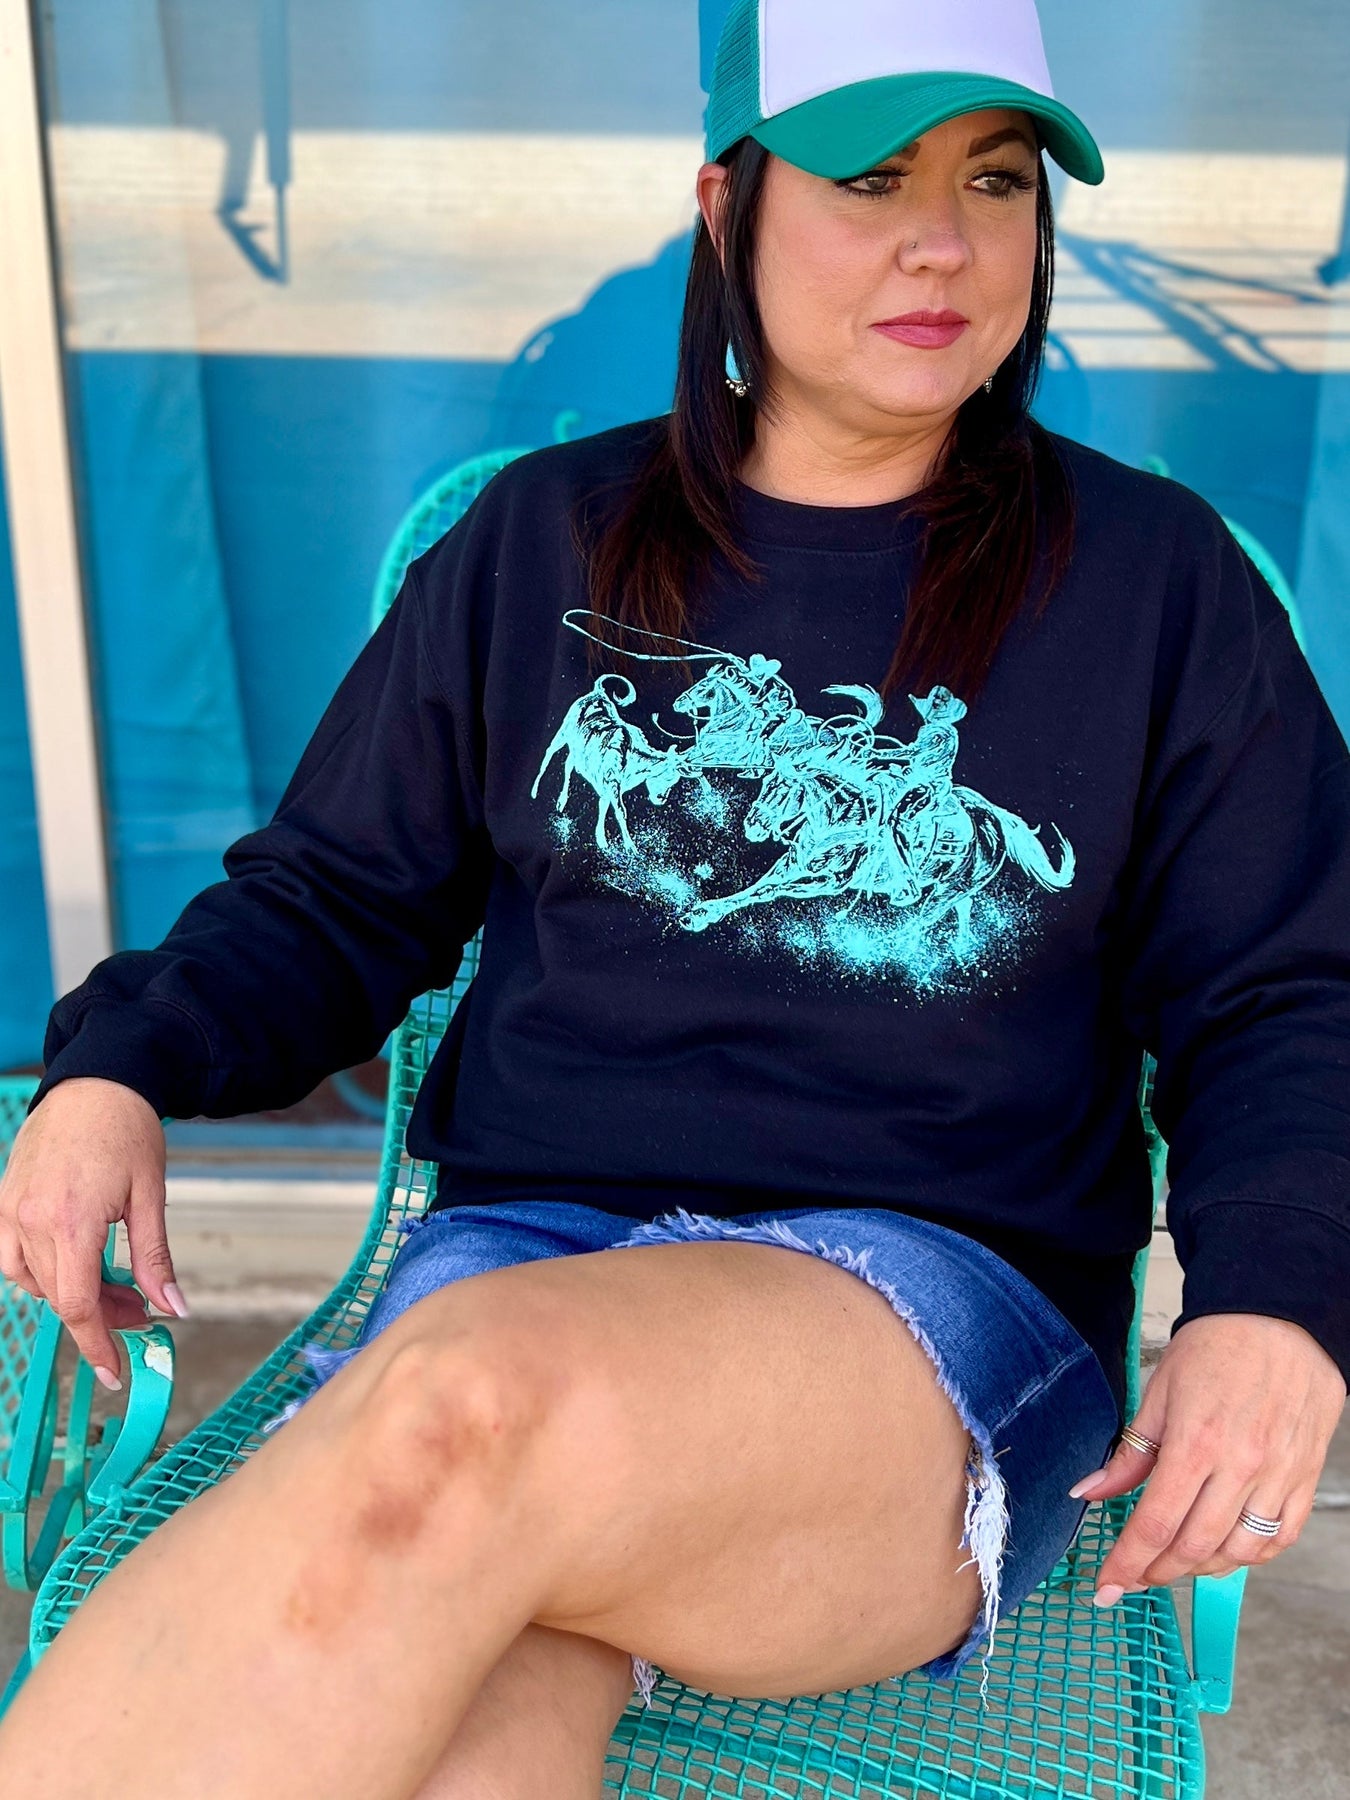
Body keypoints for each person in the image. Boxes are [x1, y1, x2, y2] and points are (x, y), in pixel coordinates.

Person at [1, 1, 1347, 1793]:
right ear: (727, 206)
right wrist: (120, 1061)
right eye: (867, 178)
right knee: (458, 1719)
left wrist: (1272, 1296)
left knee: (455, 1414)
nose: (940, 243)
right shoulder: (541, 539)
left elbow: (1285, 992)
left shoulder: (1154, 587)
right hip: (518, 1270)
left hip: (918, 1313)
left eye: (994, 181)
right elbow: (334, 896)